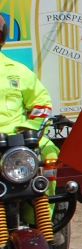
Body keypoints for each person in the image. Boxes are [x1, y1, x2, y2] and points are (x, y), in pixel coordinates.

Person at [0, 14, 55, 161]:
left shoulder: (18, 71)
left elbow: (42, 103)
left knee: (50, 155)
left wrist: (29, 128)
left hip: (17, 141)